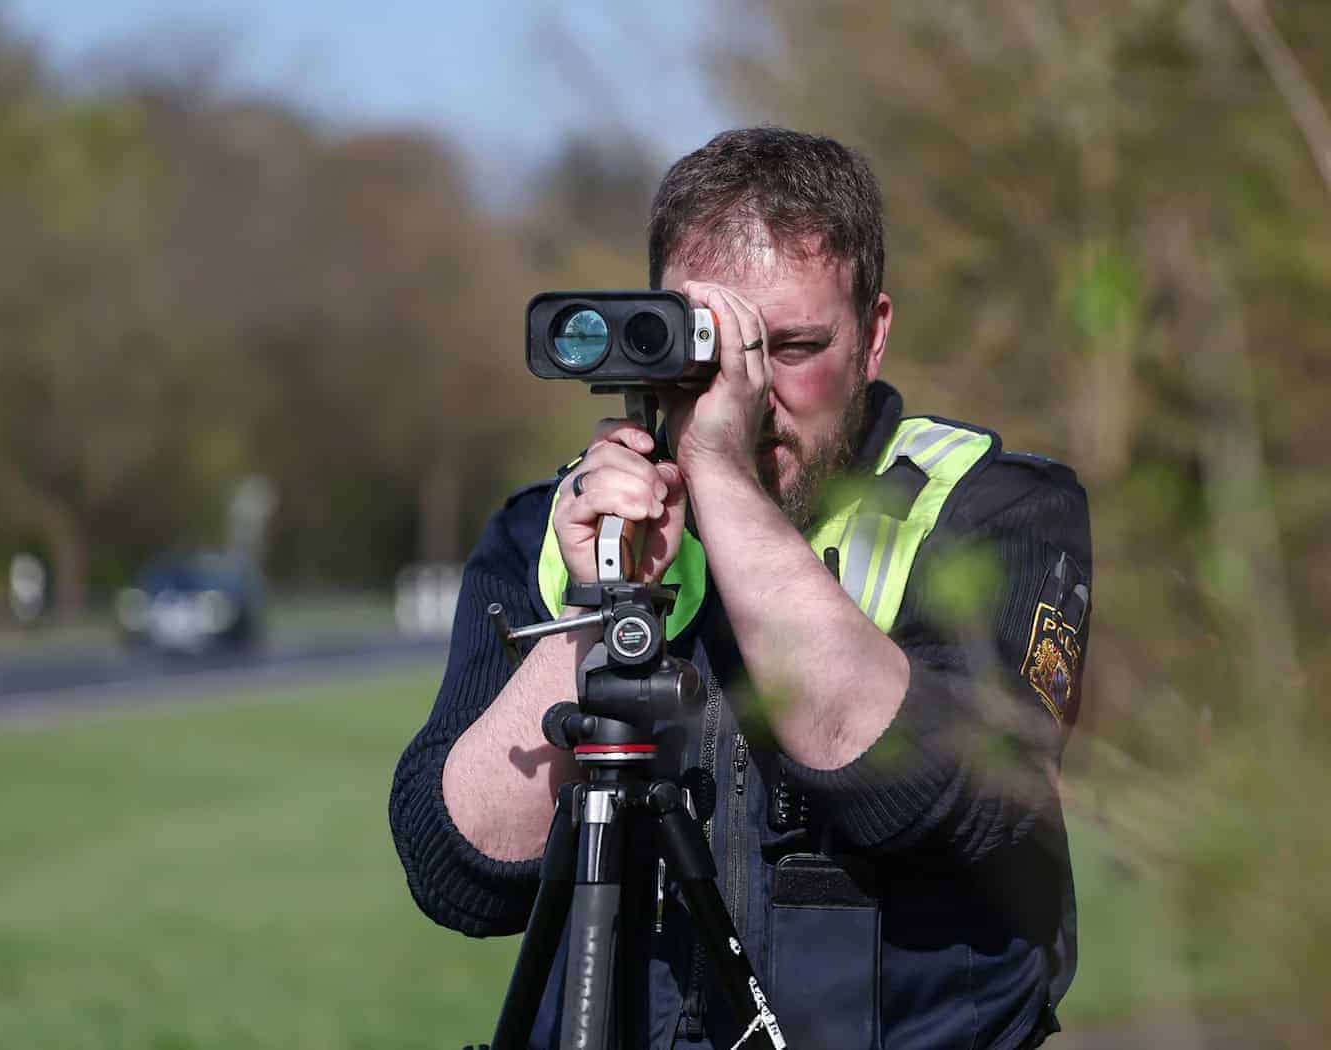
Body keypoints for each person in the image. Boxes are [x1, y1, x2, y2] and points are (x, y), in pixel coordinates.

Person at [391, 127, 1092, 1050]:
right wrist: (598, 605)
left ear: (874, 334)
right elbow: (460, 874)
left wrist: (718, 473)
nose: (750, 391)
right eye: (713, 349)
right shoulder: (552, 529)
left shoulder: (990, 510)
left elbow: (942, 801)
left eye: (791, 346)